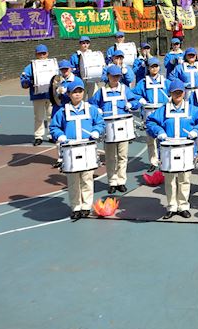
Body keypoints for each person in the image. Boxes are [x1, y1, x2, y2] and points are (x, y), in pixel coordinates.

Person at [146, 79, 198, 219]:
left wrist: (196, 130)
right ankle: (172, 206)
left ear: (184, 93)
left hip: (187, 149)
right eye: (175, 92)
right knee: (170, 179)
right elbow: (150, 121)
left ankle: (183, 205)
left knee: (184, 178)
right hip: (169, 150)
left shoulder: (193, 109)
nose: (178, 95)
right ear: (170, 93)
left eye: (180, 92)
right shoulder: (163, 110)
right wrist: (159, 131)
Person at [49, 79, 106, 221]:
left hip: (87, 147)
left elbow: (100, 122)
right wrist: (60, 135)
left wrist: (96, 131)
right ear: (68, 94)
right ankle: (75, 206)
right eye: (74, 92)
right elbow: (54, 127)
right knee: (73, 180)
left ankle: (86, 206)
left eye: (80, 91)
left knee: (87, 178)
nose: (78, 94)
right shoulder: (62, 111)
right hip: (71, 150)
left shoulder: (91, 109)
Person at [91, 65, 139, 195]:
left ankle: (121, 181)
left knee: (123, 156)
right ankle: (112, 181)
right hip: (108, 129)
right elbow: (92, 104)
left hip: (123, 128)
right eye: (113, 76)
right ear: (108, 76)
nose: (115, 78)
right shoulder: (101, 92)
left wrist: (131, 104)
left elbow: (136, 101)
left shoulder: (124, 89)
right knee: (110, 157)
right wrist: (97, 110)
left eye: (118, 76)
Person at [19, 43, 56, 146]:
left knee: (51, 116)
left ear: (47, 53)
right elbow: (24, 80)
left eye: (44, 53)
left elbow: (58, 77)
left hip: (51, 95)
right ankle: (38, 136)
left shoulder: (52, 64)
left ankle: (52, 135)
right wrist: (27, 82)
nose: (42, 56)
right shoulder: (30, 67)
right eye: (40, 54)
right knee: (39, 117)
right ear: (36, 54)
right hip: (37, 95)